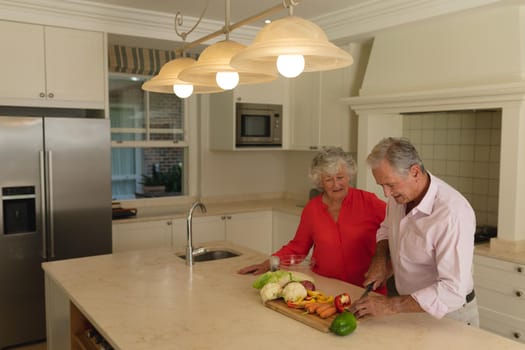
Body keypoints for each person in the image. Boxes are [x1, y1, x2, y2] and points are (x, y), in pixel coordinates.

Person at [352, 137, 479, 326]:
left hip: (449, 317)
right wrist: (380, 261)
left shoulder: (451, 213)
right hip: (409, 306)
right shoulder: (400, 196)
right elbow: (386, 229)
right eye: (382, 186)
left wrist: (390, 306)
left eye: (391, 185)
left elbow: (452, 290)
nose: (386, 194)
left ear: (415, 172)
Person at [238, 146, 387, 295]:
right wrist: (270, 263)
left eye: (340, 177)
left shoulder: (369, 202)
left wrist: (388, 268)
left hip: (365, 291)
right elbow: (298, 247)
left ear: (349, 176)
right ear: (320, 182)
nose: (336, 184)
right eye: (329, 179)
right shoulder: (312, 209)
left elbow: (398, 232)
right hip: (325, 288)